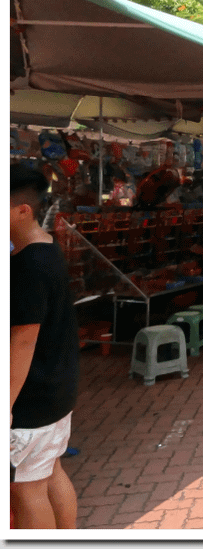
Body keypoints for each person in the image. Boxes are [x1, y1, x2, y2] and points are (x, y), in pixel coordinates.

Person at [10, 164, 79, 529]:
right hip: (56, 390)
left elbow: (22, 341)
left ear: (24, 210)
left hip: (31, 399)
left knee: (25, 491)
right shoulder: (47, 248)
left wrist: (4, 405)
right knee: (49, 472)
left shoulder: (27, 266)